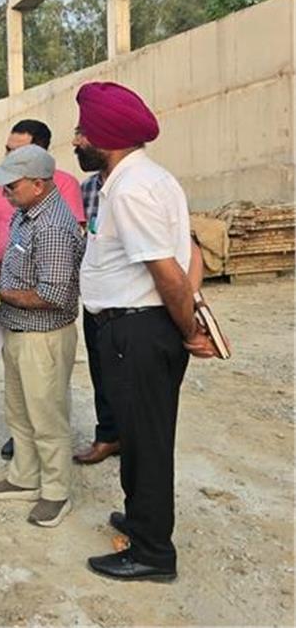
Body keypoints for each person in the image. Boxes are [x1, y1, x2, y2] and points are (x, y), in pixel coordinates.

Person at [73, 81, 218, 581]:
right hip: (132, 329)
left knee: (148, 445)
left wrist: (189, 329)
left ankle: (153, 554)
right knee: (137, 438)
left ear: (105, 138)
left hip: (137, 331)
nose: (76, 140)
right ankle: (140, 522)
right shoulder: (146, 178)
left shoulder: (132, 189)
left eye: (83, 132)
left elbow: (168, 273)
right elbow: (190, 250)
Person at [0, 144, 84, 528]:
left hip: (43, 338)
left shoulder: (53, 227)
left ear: (38, 184)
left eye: (12, 185)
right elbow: (17, 259)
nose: (5, 193)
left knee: (47, 418)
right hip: (18, 330)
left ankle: (56, 493)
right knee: (19, 413)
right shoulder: (25, 213)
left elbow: (54, 295)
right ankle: (24, 477)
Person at [73, 166, 206, 465]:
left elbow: (179, 262)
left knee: (146, 421)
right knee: (106, 378)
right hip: (104, 309)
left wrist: (191, 318)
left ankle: (140, 475)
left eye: (84, 138)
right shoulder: (89, 189)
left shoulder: (135, 189)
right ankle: (111, 435)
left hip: (139, 316)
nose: (76, 144)